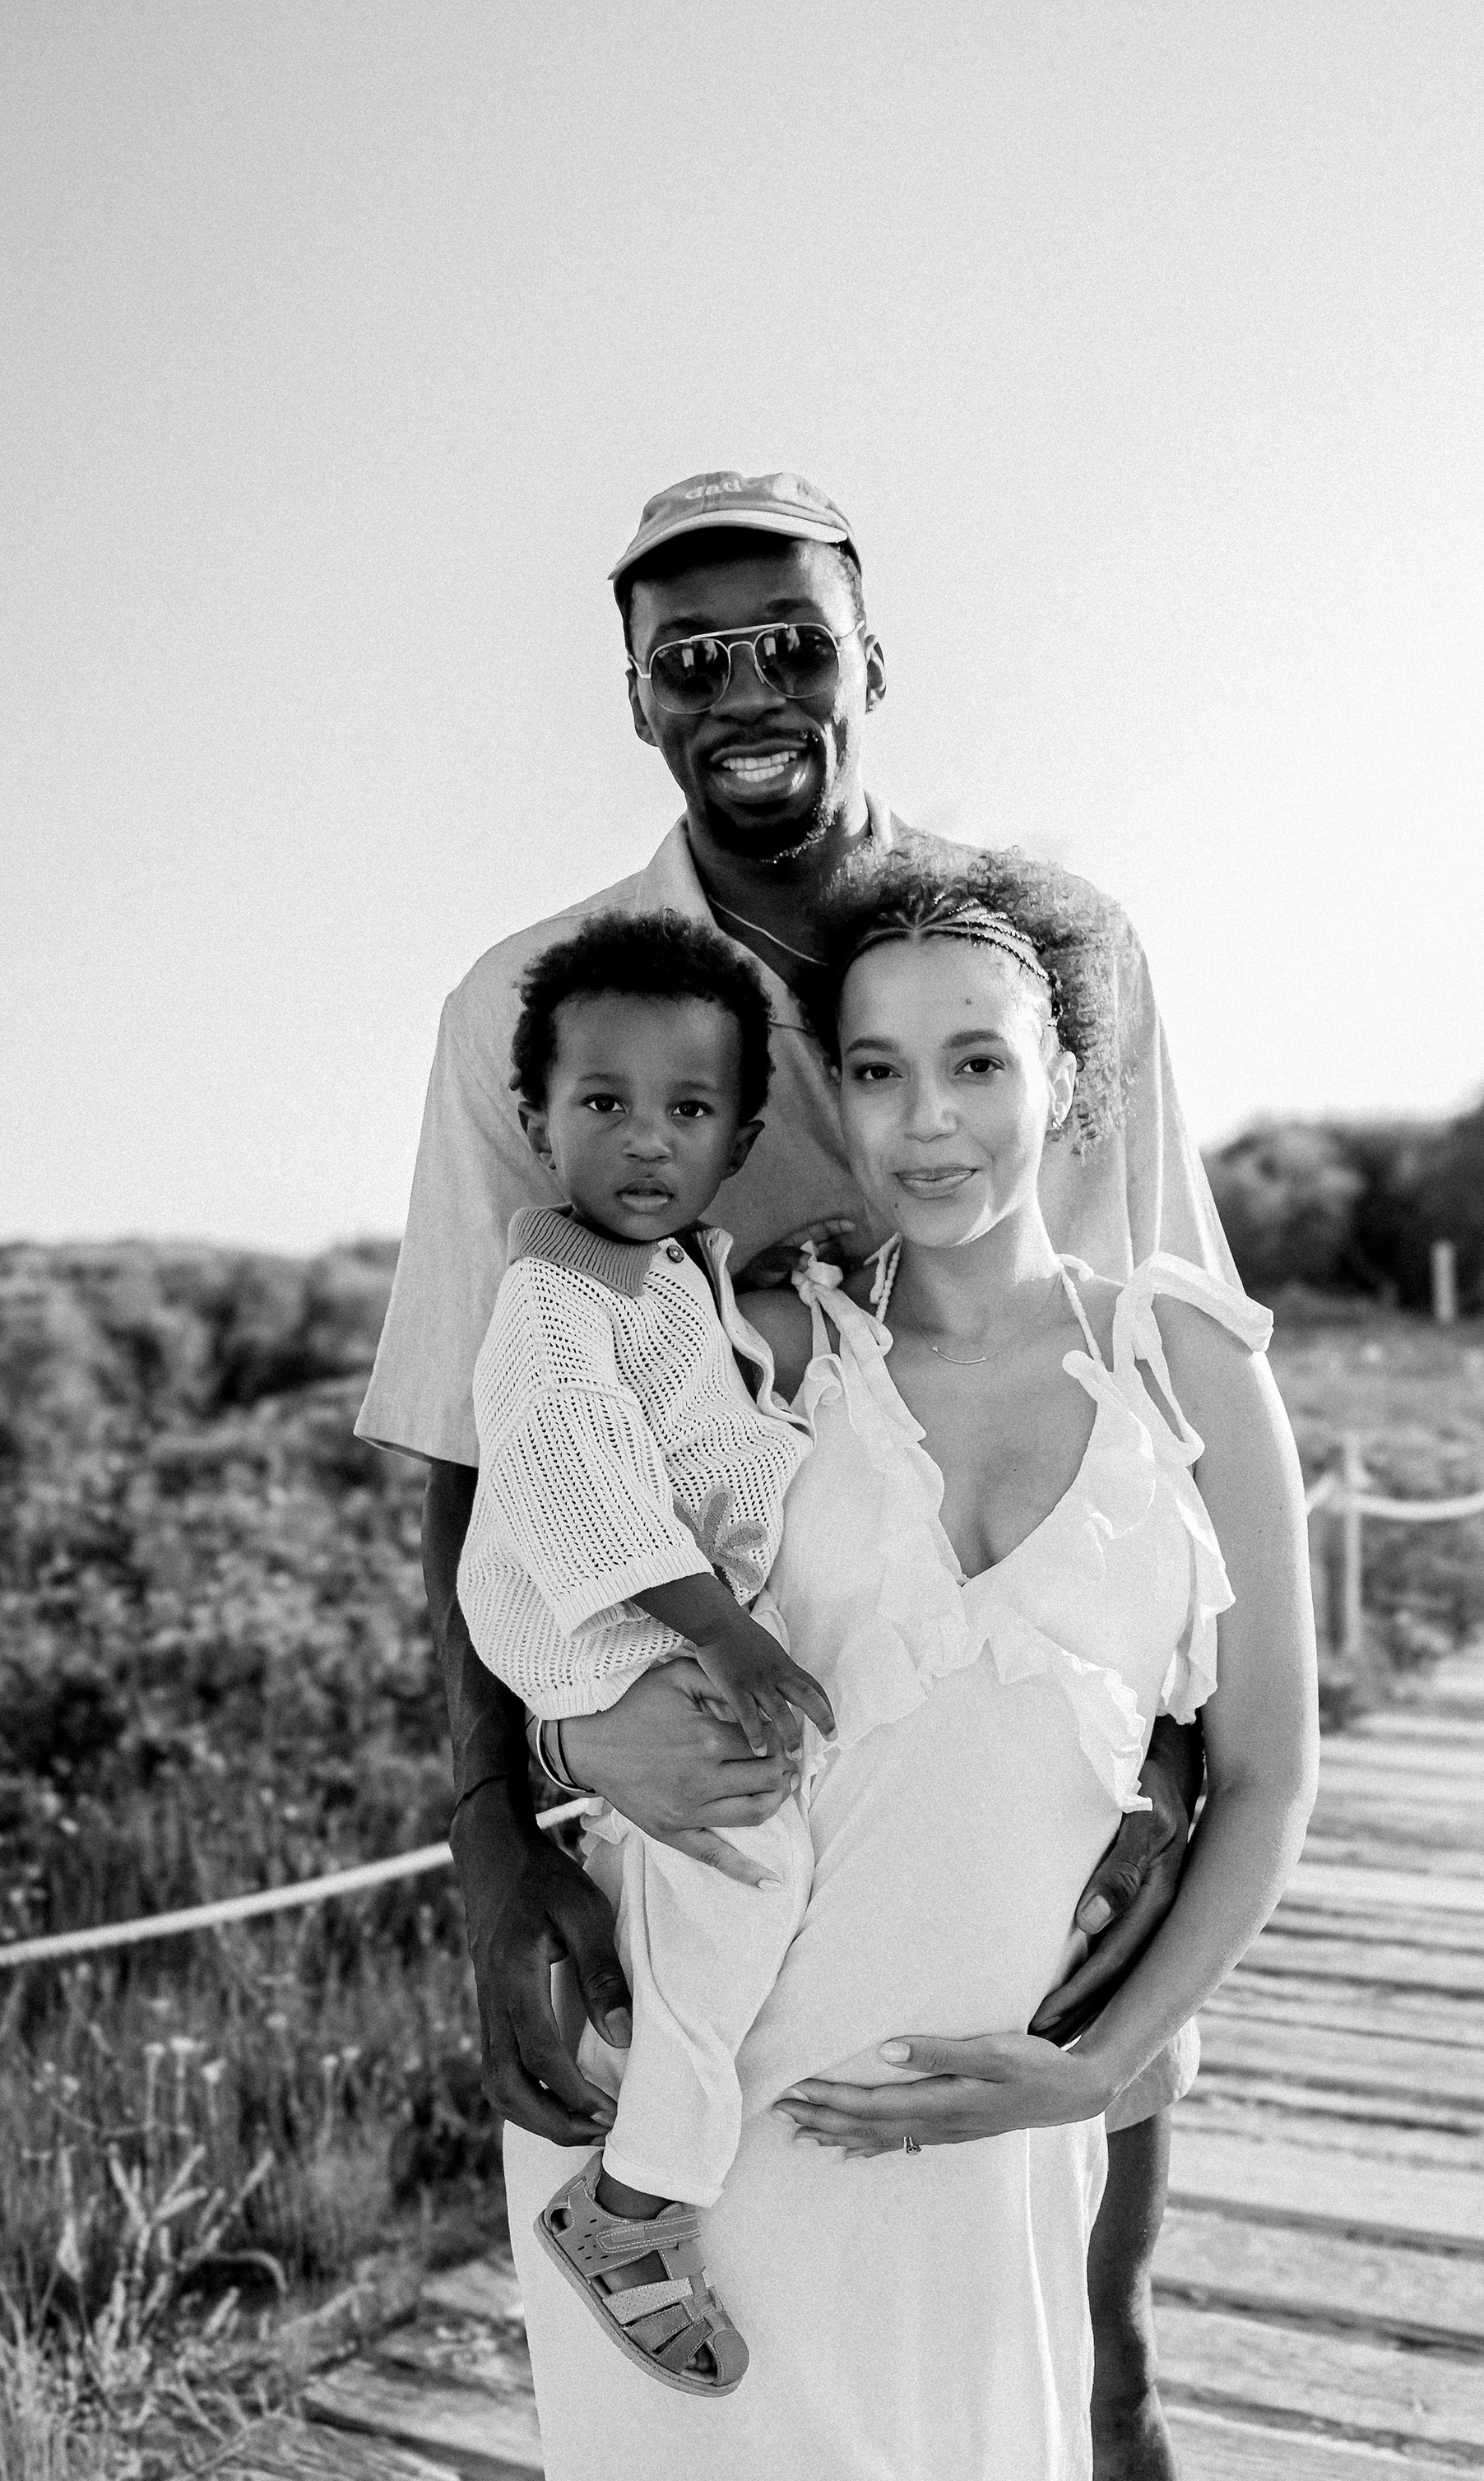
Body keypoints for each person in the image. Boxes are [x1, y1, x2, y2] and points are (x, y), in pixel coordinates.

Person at [357, 470, 1241, 2476]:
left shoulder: (1044, 954)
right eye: (689, 657)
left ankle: (1115, 2397)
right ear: (636, 697)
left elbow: (1158, 1364)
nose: (743, 687)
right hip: (714, 1781)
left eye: (791, 642)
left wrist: (1169, 1777)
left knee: (1075, 2378)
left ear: (868, 661)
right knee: (747, 2360)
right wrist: (499, 1840)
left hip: (1031, 1746)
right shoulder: (533, 1005)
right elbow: (477, 1434)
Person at [505, 851, 1319, 2477]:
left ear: (1067, 1083)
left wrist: (1081, 2067)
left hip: (979, 2132)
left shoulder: (1191, 1369)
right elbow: (561, 1630)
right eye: (874, 1072)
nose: (926, 1121)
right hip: (690, 2155)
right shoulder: (754, 1343)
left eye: (976, 1063)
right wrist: (564, 1758)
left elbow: (1268, 1771)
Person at [457, 909, 837, 2395]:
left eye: (687, 1111)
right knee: (752, 1882)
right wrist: (730, 1634)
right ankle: (633, 2207)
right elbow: (578, 1478)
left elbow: (712, 1412)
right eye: (601, 1104)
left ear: (739, 1137)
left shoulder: (665, 1275)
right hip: (593, 1625)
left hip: (643, 1627)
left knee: (725, 1883)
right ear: (537, 1122)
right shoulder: (549, 1301)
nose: (643, 1140)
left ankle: (652, 2095)